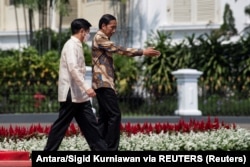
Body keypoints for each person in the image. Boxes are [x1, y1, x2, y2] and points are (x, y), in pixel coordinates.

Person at [91, 14, 161, 151]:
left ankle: (99, 149)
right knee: (114, 115)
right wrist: (142, 52)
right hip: (103, 83)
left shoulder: (102, 38)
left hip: (102, 83)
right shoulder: (100, 37)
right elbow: (119, 49)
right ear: (103, 26)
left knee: (105, 117)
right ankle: (110, 149)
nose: (114, 30)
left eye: (115, 27)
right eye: (112, 27)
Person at [44, 18, 108, 151]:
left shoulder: (76, 45)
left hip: (79, 94)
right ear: (82, 31)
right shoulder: (71, 45)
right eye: (88, 32)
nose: (88, 35)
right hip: (71, 93)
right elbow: (73, 69)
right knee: (61, 126)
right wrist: (86, 87)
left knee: (91, 125)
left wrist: (84, 89)